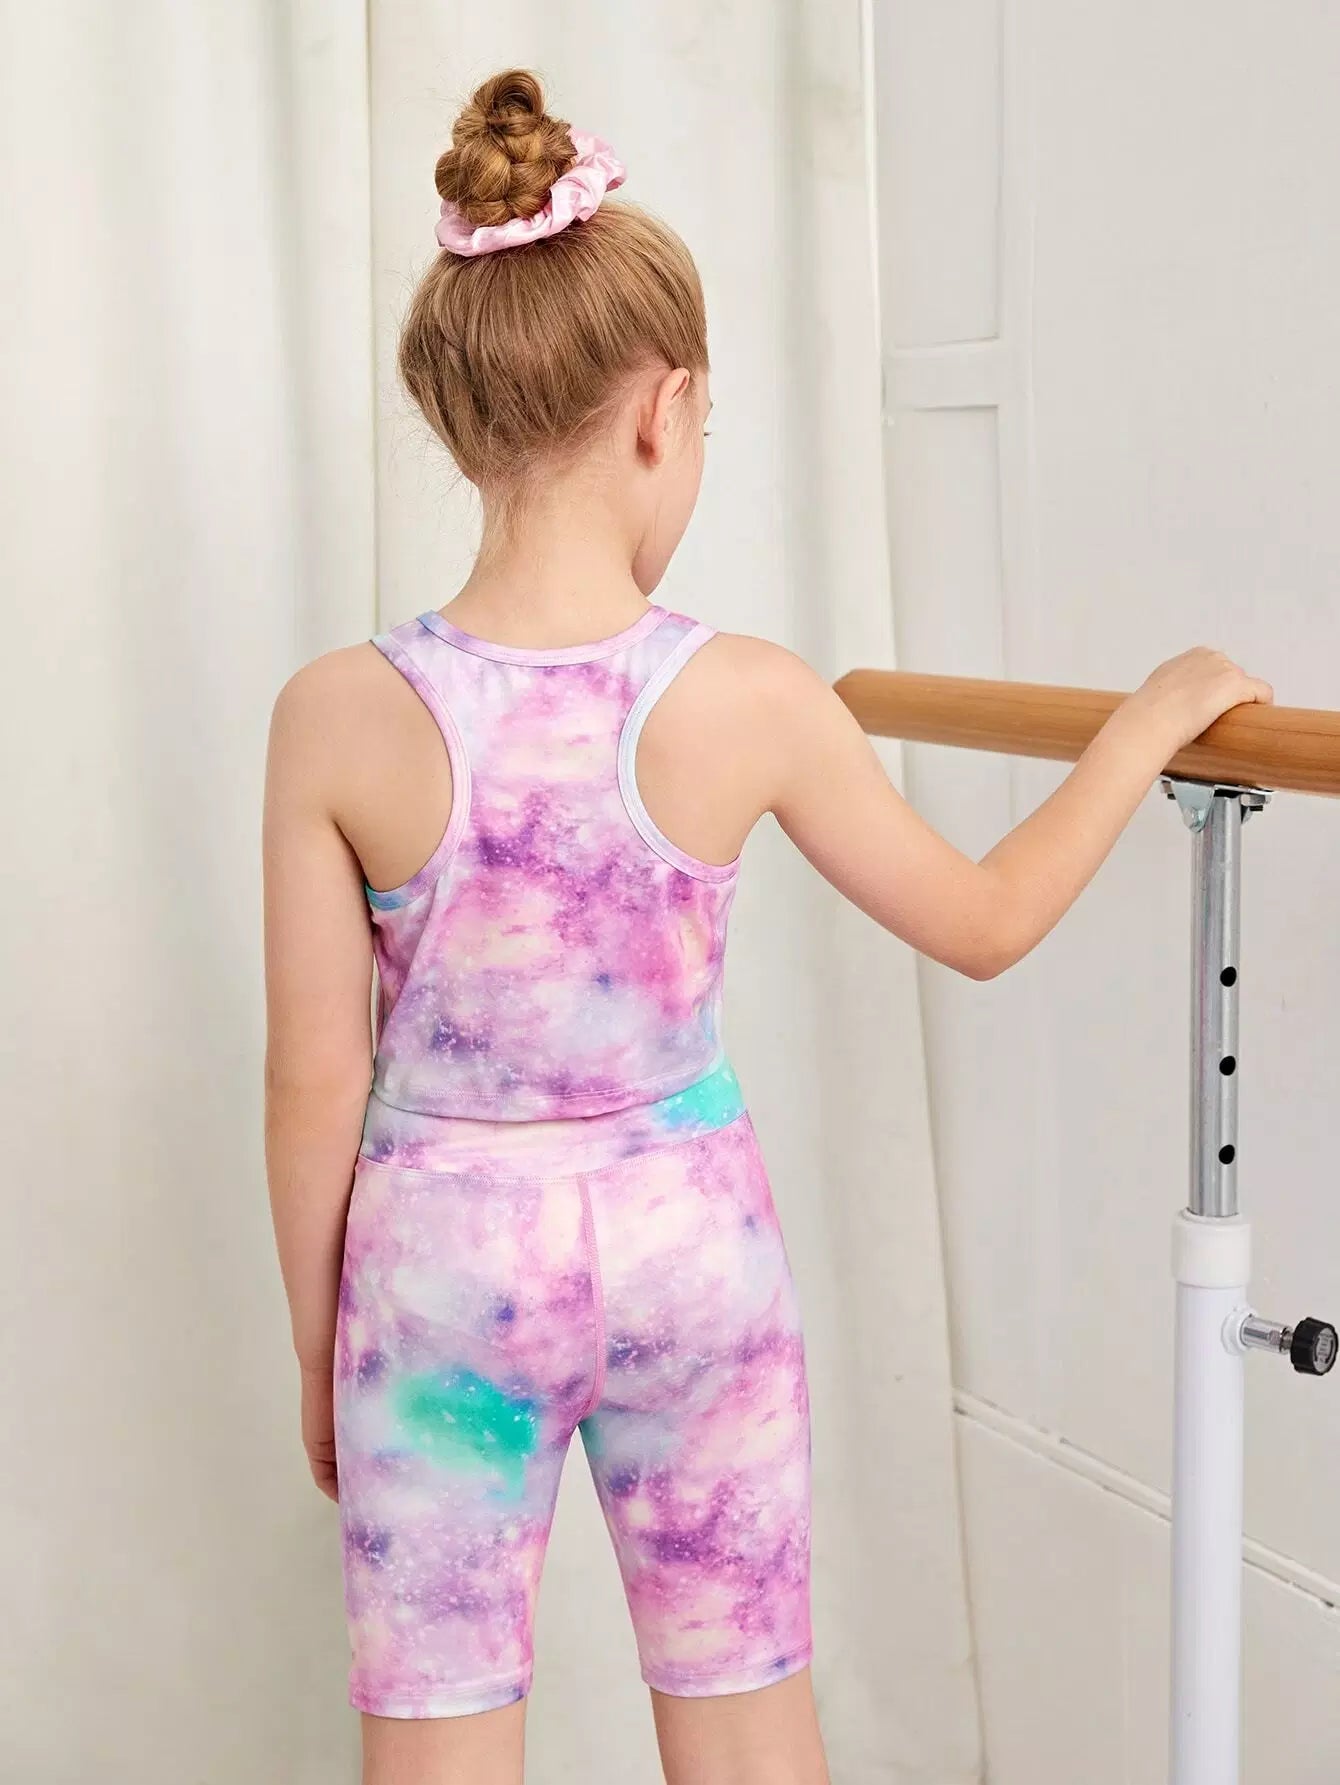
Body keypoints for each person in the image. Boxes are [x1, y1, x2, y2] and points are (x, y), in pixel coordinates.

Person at [262, 68, 1271, 1785]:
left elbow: (310, 1090)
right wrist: (1146, 721)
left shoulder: (335, 714)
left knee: (436, 1753)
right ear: (665, 412)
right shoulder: (749, 697)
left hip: (440, 1272)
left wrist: (323, 1349)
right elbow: (985, 918)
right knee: (747, 1737)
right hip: (689, 1249)